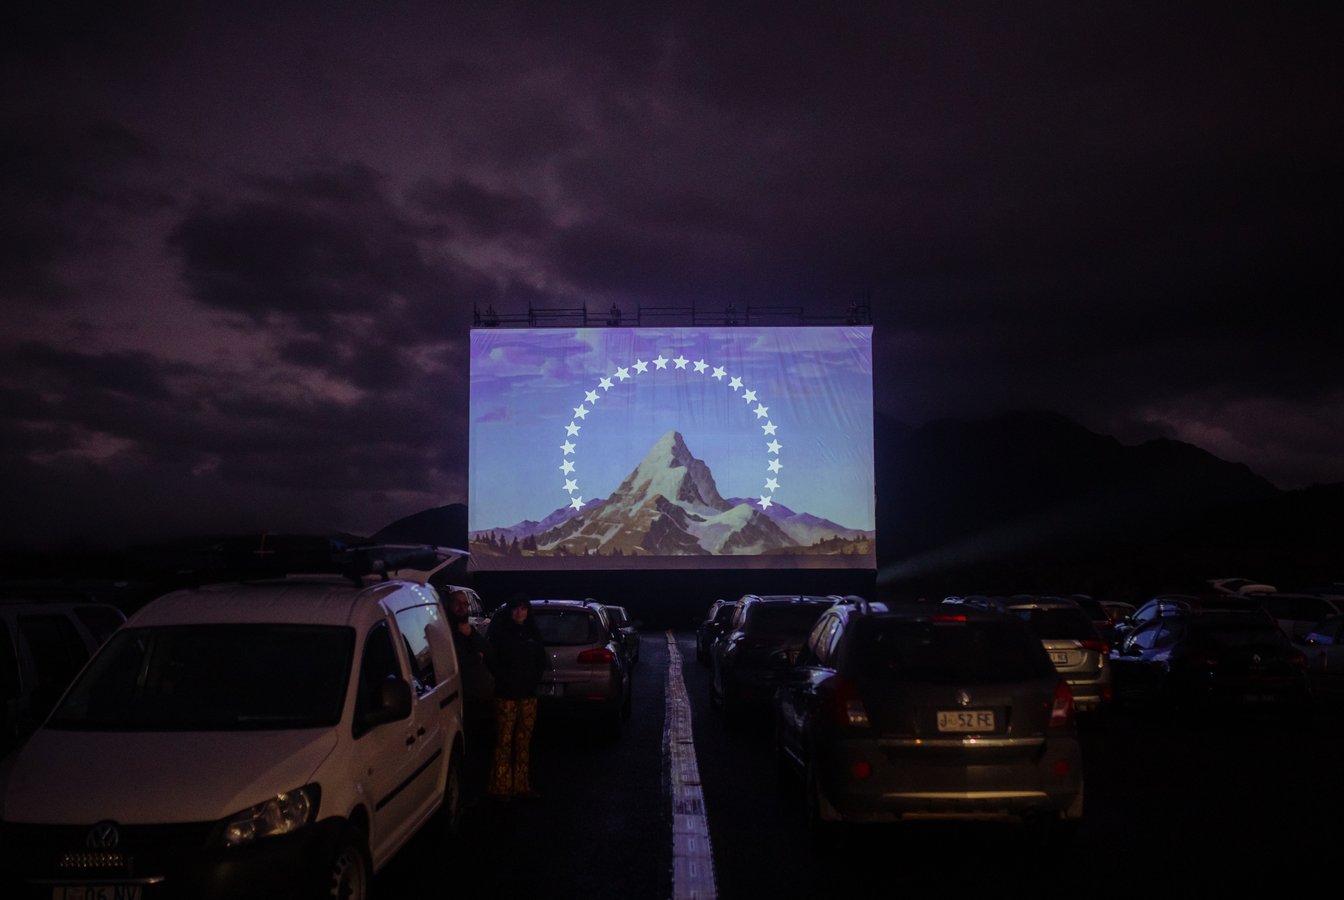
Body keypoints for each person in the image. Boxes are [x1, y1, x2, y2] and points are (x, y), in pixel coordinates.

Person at [485, 593, 549, 800]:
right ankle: (501, 786)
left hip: (528, 696)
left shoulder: (533, 633)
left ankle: (521, 785)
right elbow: (491, 660)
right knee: (504, 741)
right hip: (506, 696)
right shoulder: (501, 633)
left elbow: (540, 660)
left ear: (528, 611)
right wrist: (505, 679)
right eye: (515, 608)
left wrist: (533, 680)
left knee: (523, 742)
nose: (519, 612)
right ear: (510, 611)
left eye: (523, 608)